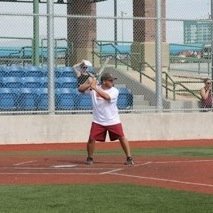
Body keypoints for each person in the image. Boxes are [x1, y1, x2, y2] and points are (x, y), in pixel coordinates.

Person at [78, 72, 134, 166]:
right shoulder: (94, 88)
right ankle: (90, 157)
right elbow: (80, 89)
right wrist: (89, 83)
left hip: (113, 119)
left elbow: (107, 97)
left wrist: (95, 87)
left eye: (113, 80)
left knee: (121, 137)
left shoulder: (114, 91)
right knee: (91, 138)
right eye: (110, 80)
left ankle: (129, 157)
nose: (112, 82)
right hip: (98, 120)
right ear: (104, 81)